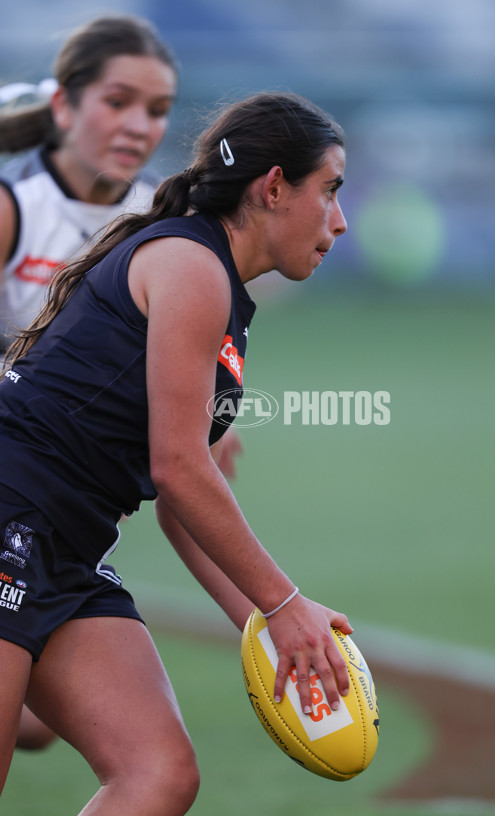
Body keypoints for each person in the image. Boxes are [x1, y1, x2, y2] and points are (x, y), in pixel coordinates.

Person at [0, 89, 350, 813]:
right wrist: (285, 604)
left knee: (158, 773)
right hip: (9, 518)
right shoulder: (192, 267)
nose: (340, 222)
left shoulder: (222, 302)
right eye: (330, 191)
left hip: (65, 551)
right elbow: (179, 470)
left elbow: (189, 504)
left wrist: (270, 631)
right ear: (275, 187)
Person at [0, 13, 180, 753]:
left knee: (40, 727)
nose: (139, 125)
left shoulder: (159, 228)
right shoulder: (16, 210)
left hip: (65, 505)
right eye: (118, 101)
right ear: (65, 107)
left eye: (158, 110)